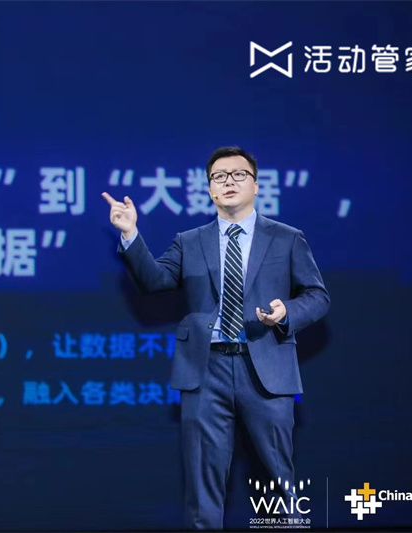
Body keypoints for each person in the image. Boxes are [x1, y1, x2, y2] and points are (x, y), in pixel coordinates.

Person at [102, 146, 330, 530]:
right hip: (205, 370)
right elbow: (155, 280)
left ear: (255, 185)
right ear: (209, 189)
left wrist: (286, 312)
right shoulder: (190, 240)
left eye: (239, 174)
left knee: (278, 478)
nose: (228, 182)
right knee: (203, 482)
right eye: (219, 177)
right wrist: (130, 233)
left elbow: (318, 297)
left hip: (266, 368)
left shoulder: (287, 238)